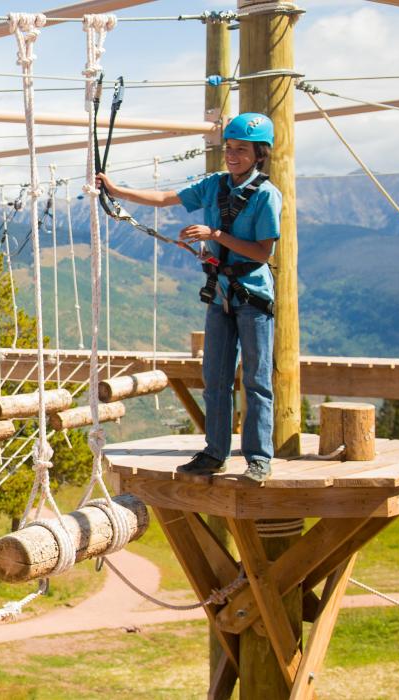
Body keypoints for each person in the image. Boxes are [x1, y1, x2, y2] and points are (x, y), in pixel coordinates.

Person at [97, 113, 281, 484]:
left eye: (241, 150)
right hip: (221, 296)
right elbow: (165, 198)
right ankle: (215, 452)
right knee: (215, 378)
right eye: (229, 148)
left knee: (256, 381)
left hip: (252, 297)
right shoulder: (215, 185)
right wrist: (117, 191)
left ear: (260, 154)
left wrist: (215, 234)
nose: (232, 155)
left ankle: (259, 458)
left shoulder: (265, 195)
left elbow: (262, 253)